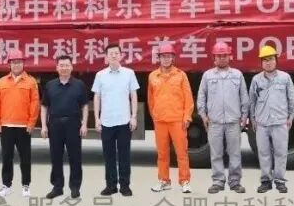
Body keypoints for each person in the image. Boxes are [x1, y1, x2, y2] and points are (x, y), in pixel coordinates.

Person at [196, 42, 249, 194]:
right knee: (216, 154)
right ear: (214, 58)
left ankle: (235, 182)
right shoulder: (208, 76)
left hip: (233, 121)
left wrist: (244, 115)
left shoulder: (237, 75)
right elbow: (201, 97)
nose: (222, 58)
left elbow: (244, 97)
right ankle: (218, 182)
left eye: (224, 55)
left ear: (229, 56)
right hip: (215, 122)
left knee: (234, 153)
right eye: (219, 56)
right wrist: (203, 115)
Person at [92, 44, 139, 197]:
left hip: (124, 121)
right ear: (106, 57)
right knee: (109, 156)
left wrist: (133, 116)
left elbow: (133, 95)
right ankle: (111, 185)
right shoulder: (100, 75)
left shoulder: (129, 73)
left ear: (121, 55)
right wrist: (97, 118)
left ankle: (125, 186)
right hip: (106, 121)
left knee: (124, 155)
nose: (113, 55)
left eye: (116, 53)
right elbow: (97, 97)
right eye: (110, 53)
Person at [248, 45, 294, 194]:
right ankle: (266, 181)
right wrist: (253, 119)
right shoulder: (256, 80)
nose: (268, 63)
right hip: (262, 123)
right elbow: (252, 101)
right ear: (261, 63)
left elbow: (291, 99)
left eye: (270, 59)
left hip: (280, 122)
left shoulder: (285, 78)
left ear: (276, 60)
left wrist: (290, 117)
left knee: (281, 153)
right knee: (264, 153)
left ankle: (280, 181)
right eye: (265, 60)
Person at [40, 55, 88, 200]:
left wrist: (84, 124)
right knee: (56, 157)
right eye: (61, 65)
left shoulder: (79, 85)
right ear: (57, 68)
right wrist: (44, 126)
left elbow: (85, 106)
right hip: (55, 124)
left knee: (75, 157)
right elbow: (44, 106)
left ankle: (75, 187)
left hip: (73, 124)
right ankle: (57, 187)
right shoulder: (50, 85)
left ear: (71, 67)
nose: (64, 68)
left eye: (67, 65)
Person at [0, 49, 39, 198]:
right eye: (13, 62)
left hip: (24, 127)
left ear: (23, 63)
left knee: (25, 158)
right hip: (6, 126)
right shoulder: (1, 82)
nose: (16, 65)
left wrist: (31, 123)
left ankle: (26, 185)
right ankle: (6, 186)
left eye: (19, 62)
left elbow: (34, 104)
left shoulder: (31, 82)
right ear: (9, 64)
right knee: (7, 158)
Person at [147, 43, 194, 193]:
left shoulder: (181, 75)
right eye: (163, 56)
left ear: (173, 58)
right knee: (162, 154)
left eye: (168, 56)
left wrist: (187, 117)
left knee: (181, 153)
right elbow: (151, 100)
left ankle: (185, 181)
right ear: (159, 58)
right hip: (160, 120)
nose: (166, 59)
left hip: (177, 120)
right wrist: (155, 116)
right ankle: (164, 181)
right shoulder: (153, 76)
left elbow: (188, 98)